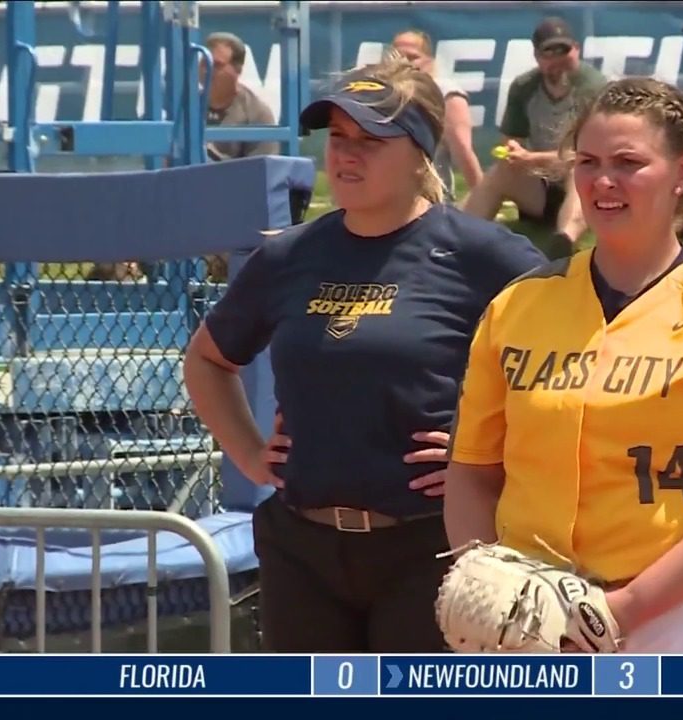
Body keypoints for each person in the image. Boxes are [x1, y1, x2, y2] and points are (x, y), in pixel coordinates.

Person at [182, 51, 548, 653]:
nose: (347, 154)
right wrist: (249, 453)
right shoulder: (290, 255)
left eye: (372, 141)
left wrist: (493, 454)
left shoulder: (481, 254)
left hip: (430, 547)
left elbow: (571, 367)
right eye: (338, 137)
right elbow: (207, 361)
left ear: (420, 153)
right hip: (302, 550)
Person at [443, 76, 683, 653]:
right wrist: (485, 581)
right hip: (534, 618)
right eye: (588, 162)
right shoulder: (518, 304)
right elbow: (472, 468)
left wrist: (623, 609)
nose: (603, 181)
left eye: (628, 162)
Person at [461, 16, 604, 259]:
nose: (557, 59)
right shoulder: (524, 86)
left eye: (563, 50)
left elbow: (589, 154)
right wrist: (514, 152)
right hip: (542, 186)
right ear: (537, 56)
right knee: (501, 170)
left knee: (578, 168)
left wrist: (532, 158)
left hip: (586, 186)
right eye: (549, 52)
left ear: (576, 49)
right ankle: (458, 238)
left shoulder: (593, 87)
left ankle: (564, 242)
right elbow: (510, 141)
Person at [390, 29, 485, 202]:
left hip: (431, 202)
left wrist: (484, 202)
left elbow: (463, 152)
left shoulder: (446, 95)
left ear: (429, 62)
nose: (403, 63)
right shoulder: (382, 95)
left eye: (412, 57)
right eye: (397, 57)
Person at [201, 31, 279, 162]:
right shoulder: (185, 107)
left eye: (216, 65)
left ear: (238, 70)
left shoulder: (257, 113)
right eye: (204, 63)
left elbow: (262, 170)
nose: (206, 70)